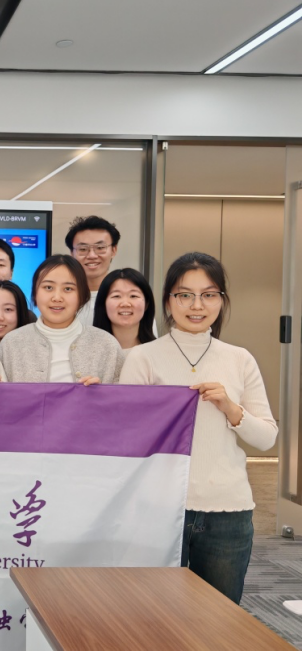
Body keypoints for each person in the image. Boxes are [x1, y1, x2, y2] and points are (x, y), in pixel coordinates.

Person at [120, 252, 277, 604]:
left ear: (222, 300)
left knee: (219, 620)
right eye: (184, 295)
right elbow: (127, 438)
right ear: (168, 301)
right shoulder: (142, 358)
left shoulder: (239, 359)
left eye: (208, 295)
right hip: (158, 508)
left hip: (228, 512)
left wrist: (230, 408)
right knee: (153, 615)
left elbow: (267, 438)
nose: (196, 305)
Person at [0, 255, 123, 384]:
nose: (57, 298)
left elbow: (122, 395)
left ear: (82, 296)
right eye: (48, 287)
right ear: (34, 293)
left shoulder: (107, 345)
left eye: (68, 289)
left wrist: (102, 393)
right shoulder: (10, 344)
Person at [65, 216, 120, 325]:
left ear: (113, 250)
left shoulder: (128, 298)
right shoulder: (61, 297)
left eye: (100, 248)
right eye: (83, 249)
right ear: (72, 253)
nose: (92, 255)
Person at [92, 268, 157, 358]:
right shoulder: (89, 353)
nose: (125, 303)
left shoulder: (158, 352)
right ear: (103, 304)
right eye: (116, 296)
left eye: (133, 296)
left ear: (146, 304)